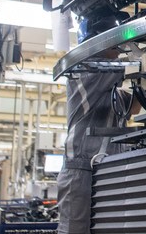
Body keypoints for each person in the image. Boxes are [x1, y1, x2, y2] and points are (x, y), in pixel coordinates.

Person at [57, 70, 128, 234]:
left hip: (107, 171)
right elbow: (127, 68)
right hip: (80, 171)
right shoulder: (88, 74)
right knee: (75, 230)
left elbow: (135, 106)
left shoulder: (113, 94)